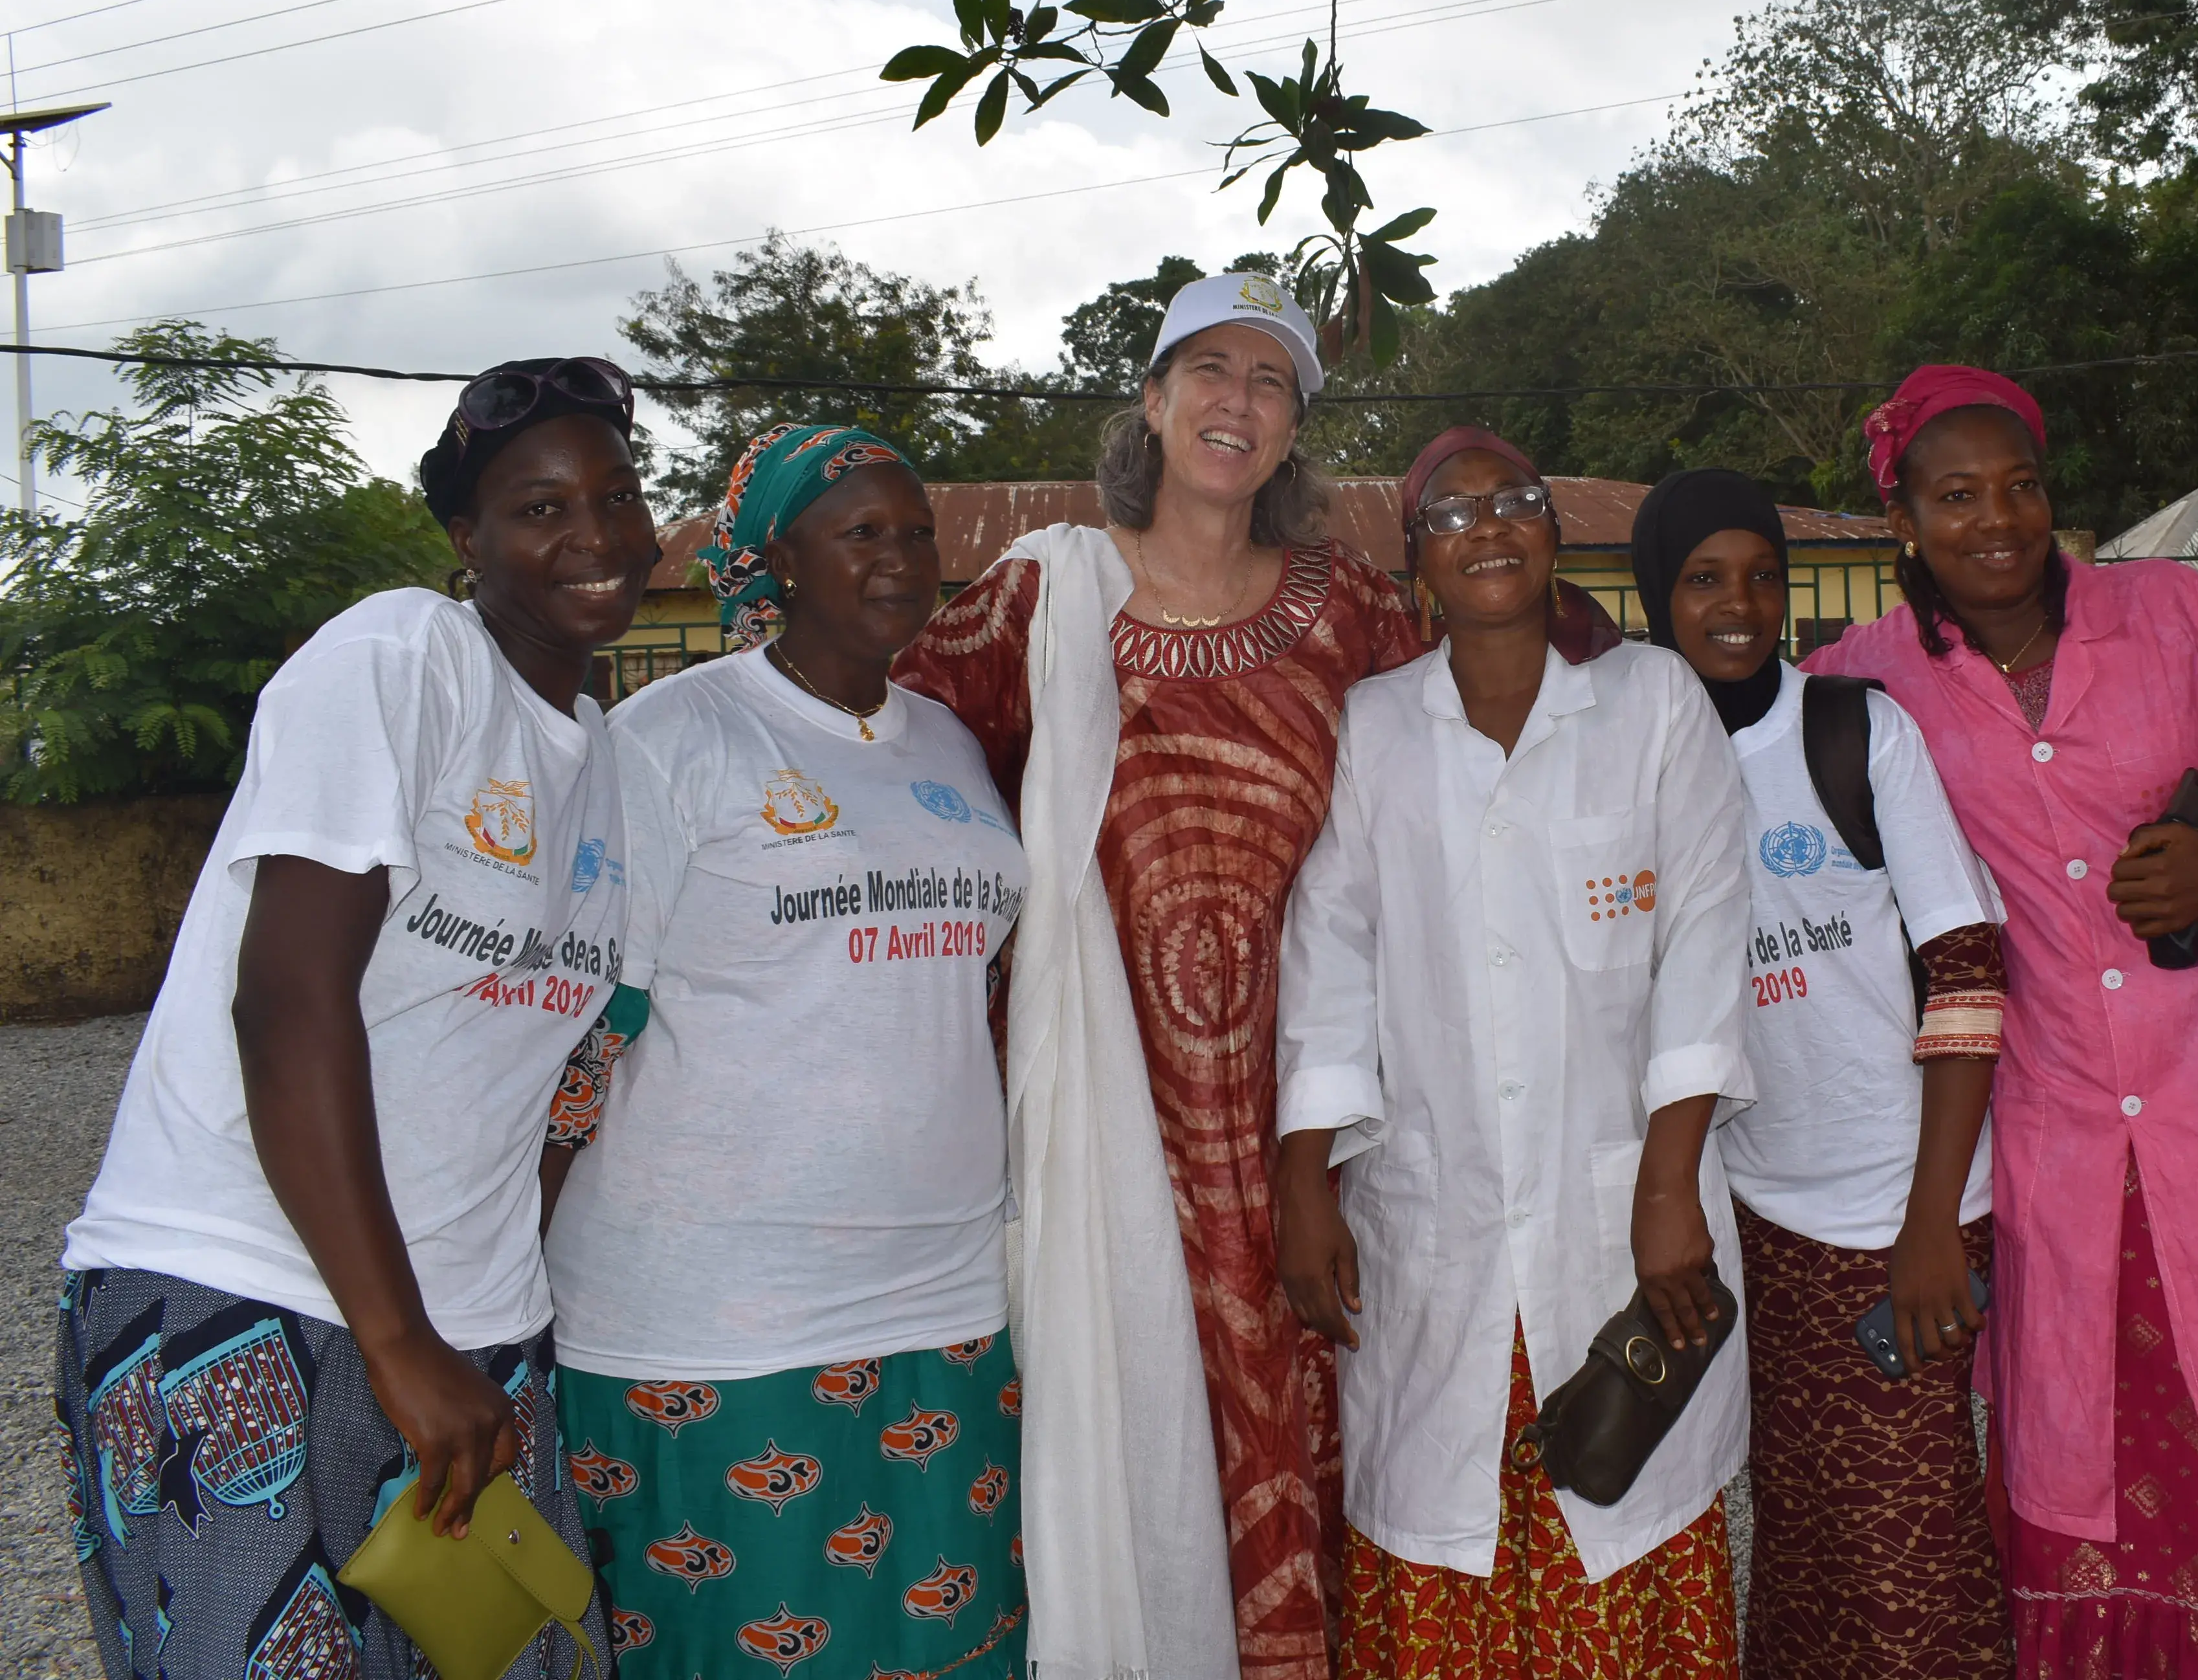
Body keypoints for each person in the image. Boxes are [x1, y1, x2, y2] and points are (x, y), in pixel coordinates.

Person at [56, 358, 660, 1680]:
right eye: (541, 508)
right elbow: (287, 1002)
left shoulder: (601, 761)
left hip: (471, 1330)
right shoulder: (400, 656)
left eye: (617, 496)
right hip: (248, 1291)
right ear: (467, 538)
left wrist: (485, 1329)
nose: (596, 538)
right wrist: (396, 1341)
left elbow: (543, 1067)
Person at [1805, 364, 2198, 1679]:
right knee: (2088, 1470)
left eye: (2021, 486)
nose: (1998, 520)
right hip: (2057, 1135)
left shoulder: (2176, 615)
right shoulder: (1860, 683)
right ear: (1900, 518)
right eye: (1955, 496)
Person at [890, 272, 1421, 1680]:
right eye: (1209, 370)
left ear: (1295, 428)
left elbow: (1471, 742)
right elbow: (878, 748)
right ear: (1153, 396)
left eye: (1270, 383)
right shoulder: (1041, 597)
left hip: (1311, 1111)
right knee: (1125, 1425)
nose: (1234, 404)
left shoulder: (1353, 609)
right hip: (1102, 1115)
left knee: (1312, 1431)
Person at [539, 423, 1029, 1675]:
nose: (903, 560)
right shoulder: (676, 741)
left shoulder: (951, 750)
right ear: (778, 559)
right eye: (861, 531)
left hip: (949, 1311)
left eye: (917, 534)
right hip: (714, 1332)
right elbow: (582, 1046)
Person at [1274, 431, 1754, 1678]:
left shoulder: (1652, 702)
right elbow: (1332, 950)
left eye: (1519, 502)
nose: (1490, 526)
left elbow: (1706, 946)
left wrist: (1666, 1192)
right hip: (1432, 1215)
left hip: (1623, 1217)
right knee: (1441, 1526)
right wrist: (1305, 1175)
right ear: (1416, 561)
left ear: (1555, 534)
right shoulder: (1375, 728)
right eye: (1452, 512)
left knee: (1622, 1509)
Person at [1630, 467, 2012, 1677]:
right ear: (1658, 596)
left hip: (1902, 1205)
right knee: (1801, 1535)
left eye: (1760, 576)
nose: (1737, 604)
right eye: (1703, 578)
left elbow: (1965, 968)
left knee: (1912, 1550)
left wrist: (1932, 1223)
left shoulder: (1850, 731)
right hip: (1759, 1224)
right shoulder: (1634, 757)